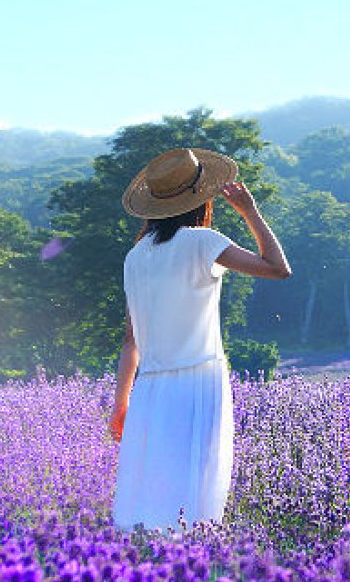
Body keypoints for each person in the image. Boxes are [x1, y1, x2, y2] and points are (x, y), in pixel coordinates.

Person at [108, 147, 291, 534]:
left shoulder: (135, 257)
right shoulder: (202, 242)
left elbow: (130, 340)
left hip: (151, 389)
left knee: (152, 492)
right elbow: (278, 269)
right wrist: (250, 212)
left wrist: (121, 402)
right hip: (197, 381)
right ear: (199, 198)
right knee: (195, 489)